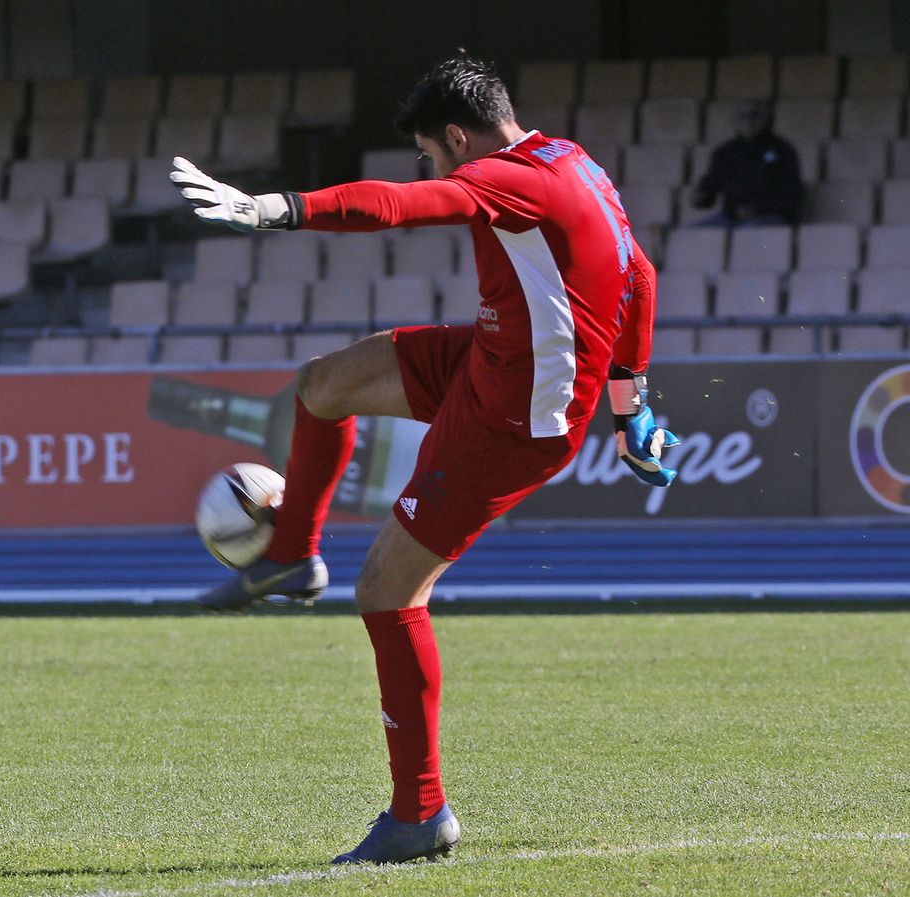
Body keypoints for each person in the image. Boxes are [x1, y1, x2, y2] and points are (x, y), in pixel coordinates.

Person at [169, 55, 679, 865]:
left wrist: (273, 209)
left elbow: (400, 205)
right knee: (322, 386)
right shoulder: (570, 159)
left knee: (387, 589)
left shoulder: (506, 178)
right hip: (492, 359)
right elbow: (640, 276)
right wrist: (632, 404)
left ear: (456, 138)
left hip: (516, 417)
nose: (433, 169)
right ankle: (291, 556)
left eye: (431, 153)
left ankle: (420, 813)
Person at [689, 99, 802, 227]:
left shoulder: (782, 150)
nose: (748, 121)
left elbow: (790, 193)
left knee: (748, 232)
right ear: (734, 121)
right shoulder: (724, 152)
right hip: (730, 218)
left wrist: (758, 210)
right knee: (688, 233)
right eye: (742, 116)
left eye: (754, 115)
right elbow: (711, 185)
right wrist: (701, 196)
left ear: (766, 118)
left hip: (769, 216)